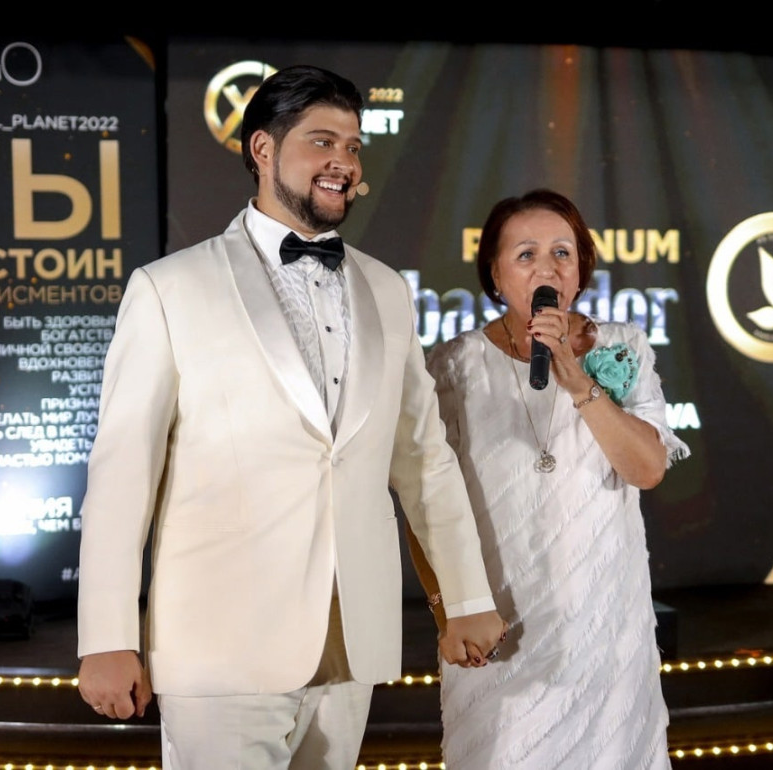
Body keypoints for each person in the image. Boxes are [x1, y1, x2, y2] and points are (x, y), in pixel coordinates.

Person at [74, 64, 507, 770]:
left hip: (351, 645)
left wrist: (465, 596)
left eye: (354, 146)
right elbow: (122, 477)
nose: (344, 162)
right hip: (218, 648)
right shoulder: (169, 288)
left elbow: (424, 458)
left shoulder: (385, 289)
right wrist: (106, 637)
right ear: (263, 149)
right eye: (322, 141)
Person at [406, 188, 689, 769]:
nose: (547, 268)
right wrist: (448, 611)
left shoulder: (623, 347)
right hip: (498, 629)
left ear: (581, 268)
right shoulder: (453, 366)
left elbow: (647, 468)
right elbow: (423, 505)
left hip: (606, 630)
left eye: (562, 252)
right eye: (526, 254)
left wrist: (578, 379)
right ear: (495, 271)